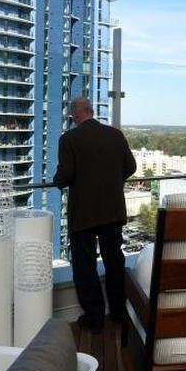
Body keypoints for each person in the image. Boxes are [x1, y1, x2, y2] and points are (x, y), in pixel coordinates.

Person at [53, 96, 136, 331]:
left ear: (75, 114)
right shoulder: (115, 135)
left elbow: (66, 174)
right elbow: (130, 167)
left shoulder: (69, 139)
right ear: (90, 111)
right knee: (114, 261)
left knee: (84, 265)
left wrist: (57, 181)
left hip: (84, 214)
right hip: (112, 209)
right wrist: (111, 182)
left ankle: (94, 317)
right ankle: (119, 312)